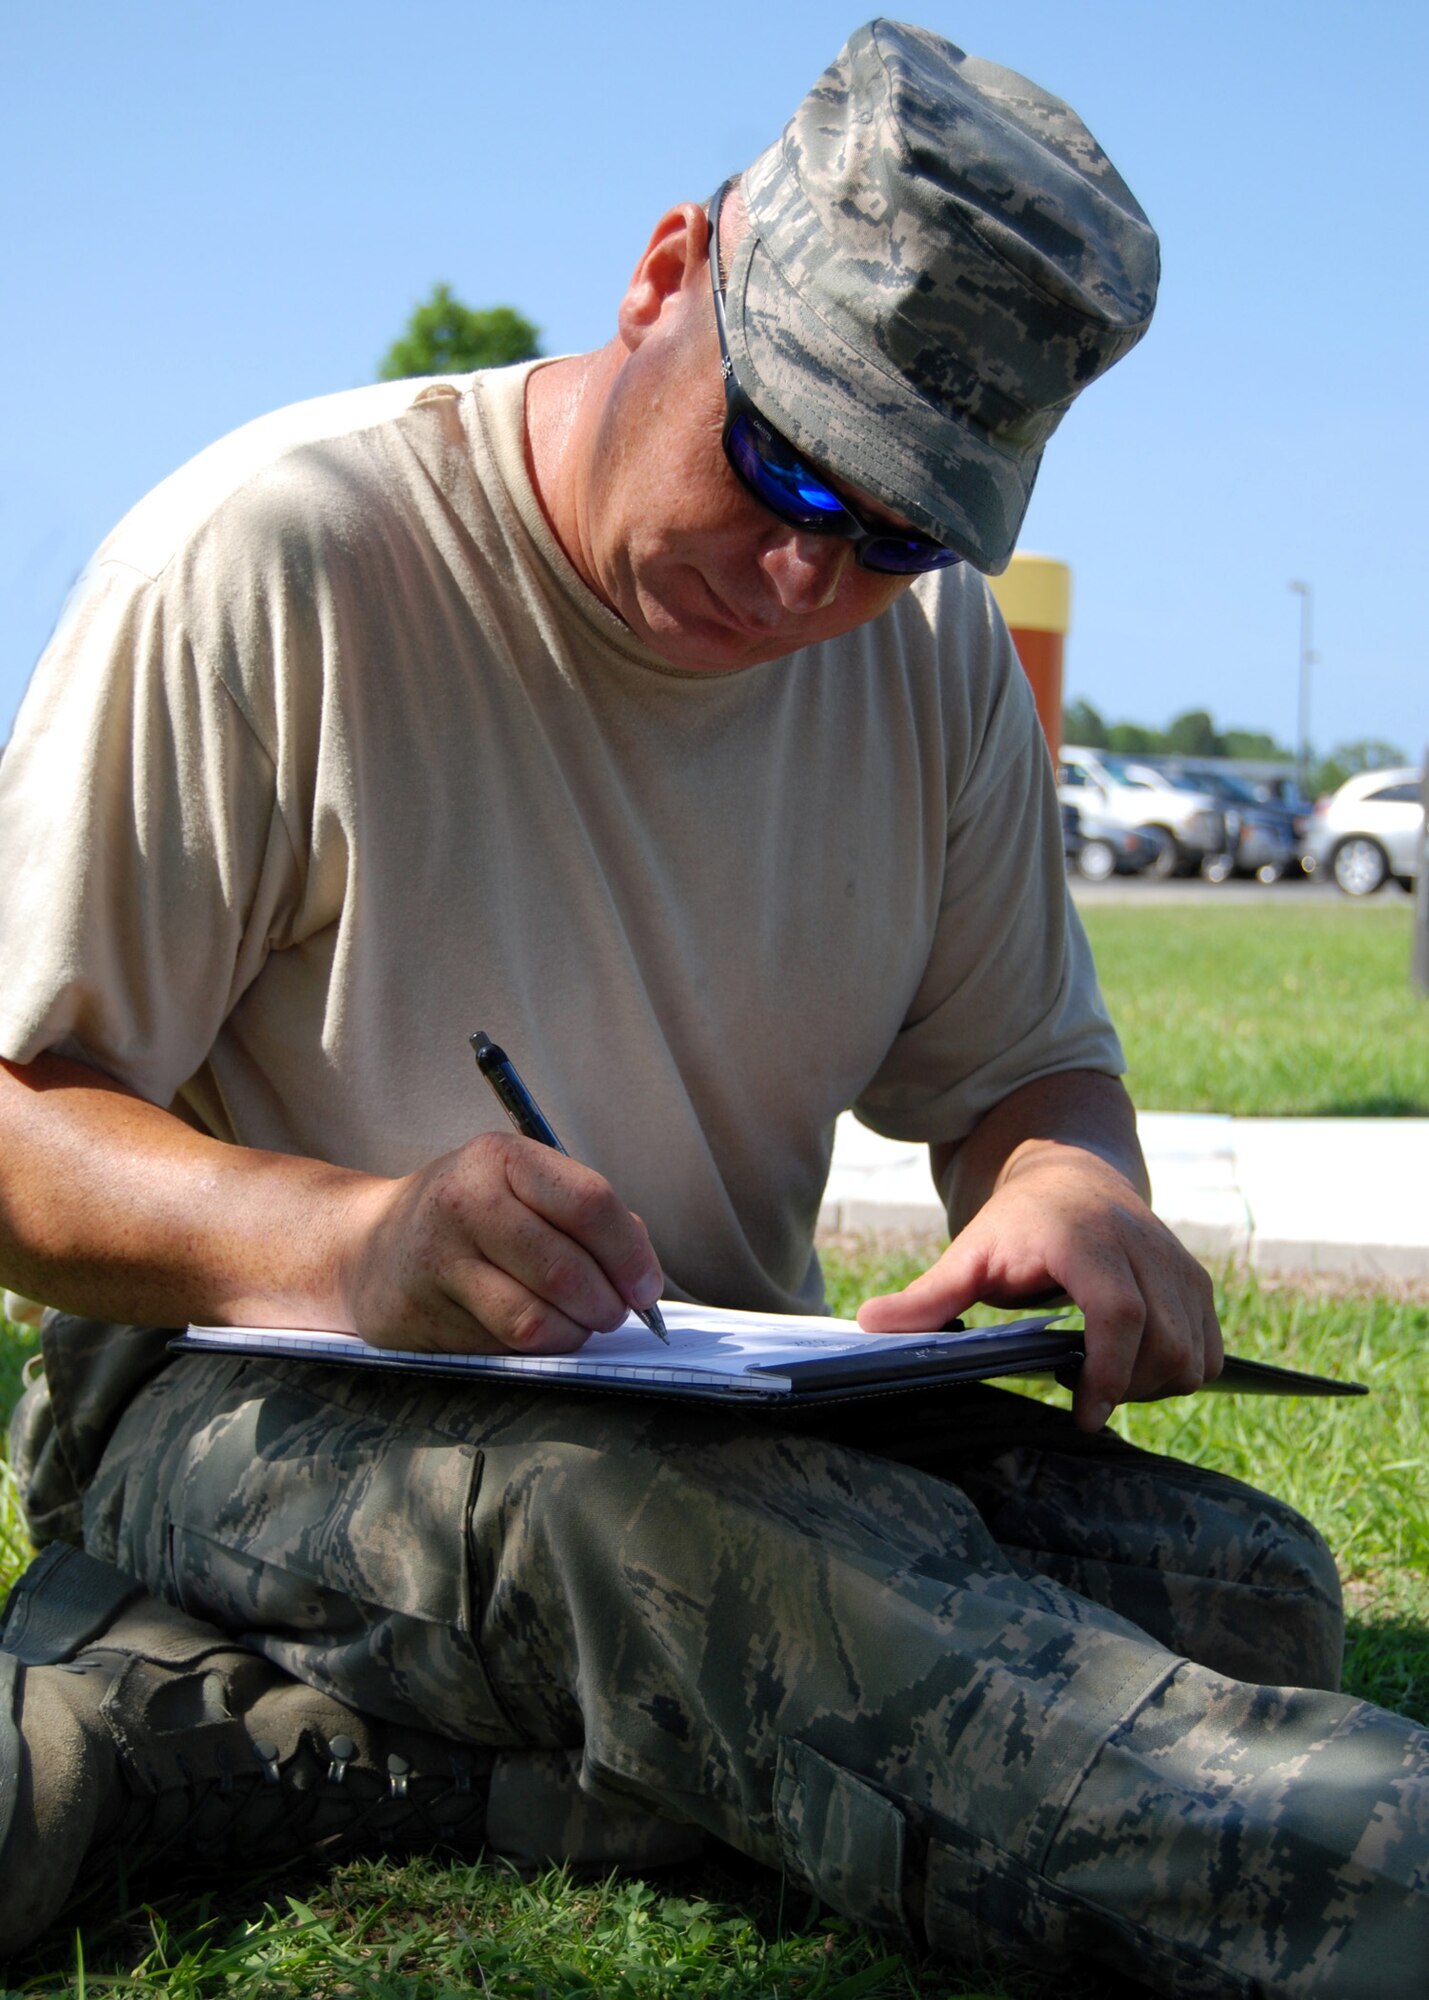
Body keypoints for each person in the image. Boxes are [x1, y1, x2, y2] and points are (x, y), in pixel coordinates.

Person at [0, 20, 1423, 1992]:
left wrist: (1068, 1183)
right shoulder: (281, 555)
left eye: (901, 527)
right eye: (783, 458)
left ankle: (293, 1752)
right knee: (744, 1579)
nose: (803, 571)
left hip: (697, 1396)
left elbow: (1024, 1072)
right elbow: (18, 1117)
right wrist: (358, 1235)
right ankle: (1362, 1875)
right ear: (666, 272)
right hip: (231, 1386)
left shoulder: (920, 662)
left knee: (1250, 1595)